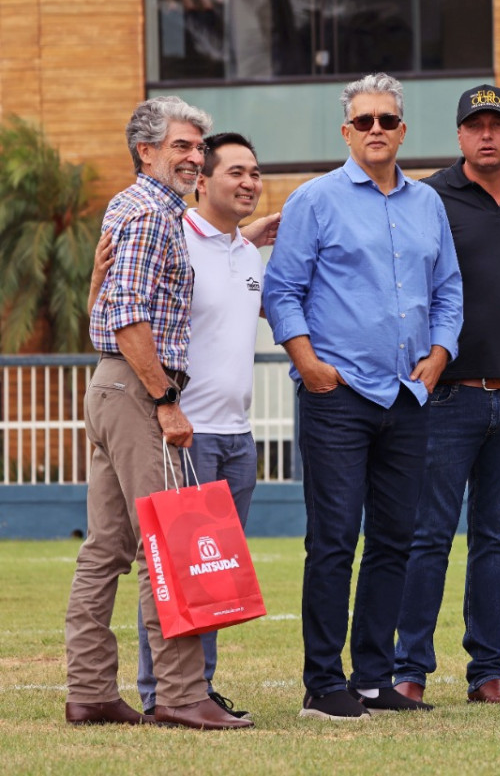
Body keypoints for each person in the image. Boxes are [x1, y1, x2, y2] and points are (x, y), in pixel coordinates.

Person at [263, 73, 463, 721]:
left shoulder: (427, 204)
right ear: (347, 131)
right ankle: (324, 684)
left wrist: (440, 353)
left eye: (387, 120)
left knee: (395, 538)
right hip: (338, 396)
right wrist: (310, 365)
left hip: (407, 397)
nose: (376, 129)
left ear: (403, 131)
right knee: (334, 538)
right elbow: (282, 290)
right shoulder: (314, 199)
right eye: (364, 120)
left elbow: (449, 292)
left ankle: (375, 676)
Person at [64, 96, 252, 730]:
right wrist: (167, 400)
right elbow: (128, 318)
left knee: (105, 548)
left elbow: (106, 308)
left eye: (199, 148)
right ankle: (177, 695)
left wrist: (247, 235)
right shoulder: (150, 214)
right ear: (145, 151)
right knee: (166, 549)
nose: (195, 157)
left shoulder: (138, 209)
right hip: (142, 391)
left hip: (111, 389)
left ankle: (89, 690)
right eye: (182, 146)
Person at [393, 84, 500, 706]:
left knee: (497, 540)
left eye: (498, 124)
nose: (487, 134)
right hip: (446, 396)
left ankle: (489, 671)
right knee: (428, 535)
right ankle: (410, 669)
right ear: (460, 136)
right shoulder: (428, 196)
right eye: (475, 125)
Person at [129, 133, 278, 719]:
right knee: (176, 574)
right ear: (202, 179)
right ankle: (161, 694)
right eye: (235, 171)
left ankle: (199, 690)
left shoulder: (246, 252)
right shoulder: (173, 237)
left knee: (214, 578)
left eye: (255, 172)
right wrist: (167, 406)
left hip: (238, 436)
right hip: (186, 432)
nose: (248, 181)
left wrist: (258, 231)